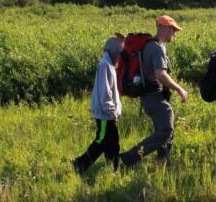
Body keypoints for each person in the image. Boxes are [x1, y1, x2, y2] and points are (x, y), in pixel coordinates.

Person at [120, 15, 188, 169]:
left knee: (164, 129)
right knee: (166, 129)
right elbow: (160, 74)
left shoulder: (152, 45)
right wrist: (179, 89)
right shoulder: (156, 47)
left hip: (151, 96)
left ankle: (164, 163)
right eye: (173, 29)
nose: (175, 33)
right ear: (164, 28)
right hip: (153, 97)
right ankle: (129, 157)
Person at [73, 35, 124, 174]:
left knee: (112, 142)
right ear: (114, 50)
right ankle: (79, 164)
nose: (121, 56)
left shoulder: (110, 65)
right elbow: (104, 92)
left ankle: (112, 168)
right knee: (101, 141)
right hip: (105, 115)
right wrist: (111, 111)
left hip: (108, 114)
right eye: (121, 52)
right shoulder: (105, 65)